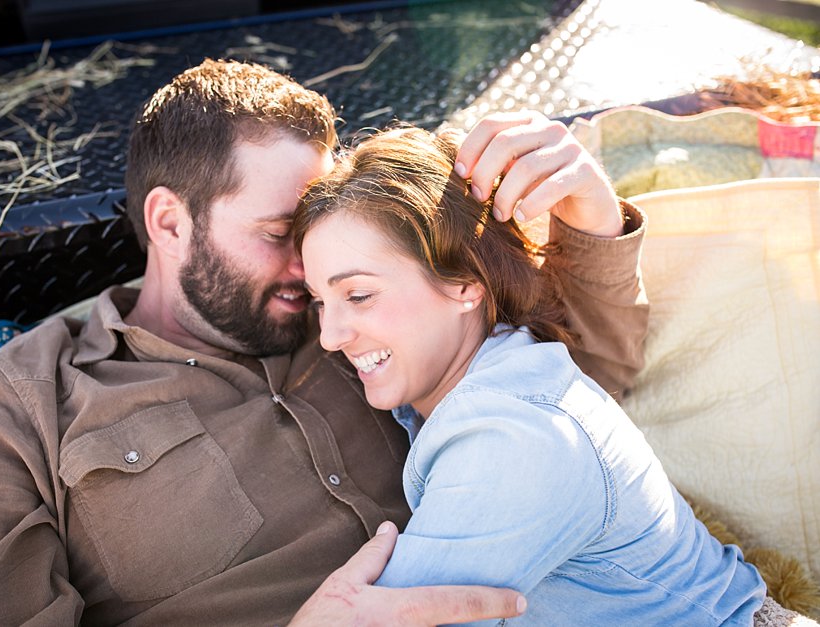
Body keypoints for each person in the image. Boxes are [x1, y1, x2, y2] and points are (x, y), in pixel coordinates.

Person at [0, 59, 648, 625]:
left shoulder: (362, 310)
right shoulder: (30, 403)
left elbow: (579, 382)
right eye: (281, 235)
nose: (310, 266)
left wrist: (592, 207)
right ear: (167, 221)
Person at [294, 126, 766, 626]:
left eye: (359, 295)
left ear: (463, 284)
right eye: (320, 302)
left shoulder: (515, 433)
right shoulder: (494, 373)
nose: (329, 336)